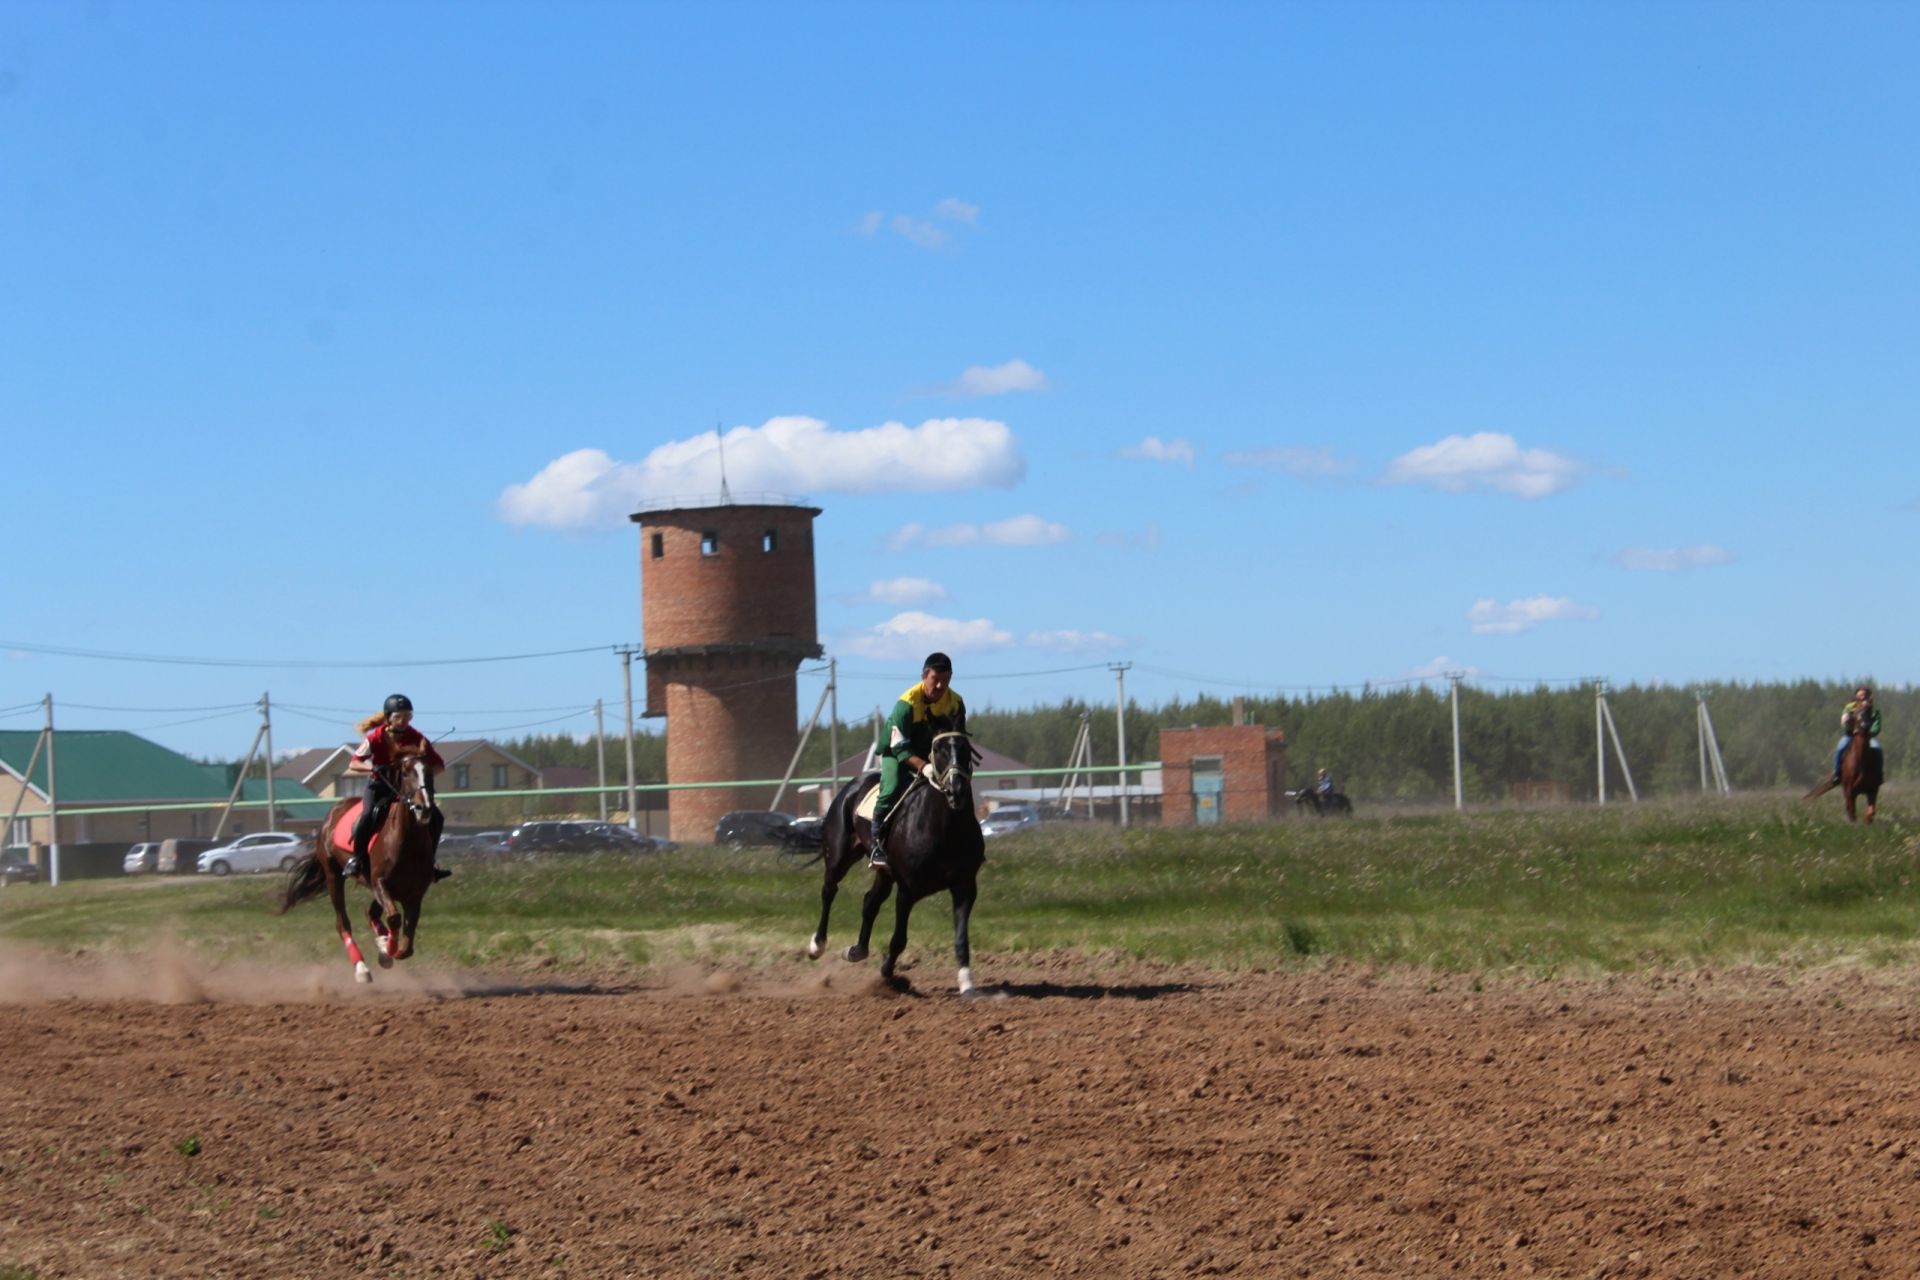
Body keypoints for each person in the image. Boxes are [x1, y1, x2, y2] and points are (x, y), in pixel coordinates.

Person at [869, 652, 967, 871]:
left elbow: (955, 738)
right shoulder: (906, 704)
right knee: (893, 786)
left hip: (931, 751)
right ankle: (875, 842)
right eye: (936, 679)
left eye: (946, 679)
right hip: (897, 752)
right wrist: (924, 767)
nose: (941, 685)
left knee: (957, 782)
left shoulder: (956, 702)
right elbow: (899, 746)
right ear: (924, 676)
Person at [343, 694, 451, 883]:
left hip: (406, 791)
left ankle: (430, 863)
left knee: (437, 817)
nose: (403, 721)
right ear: (388, 718)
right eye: (398, 717)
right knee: (368, 815)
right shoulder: (375, 737)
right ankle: (356, 860)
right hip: (379, 787)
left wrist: (422, 776)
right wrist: (372, 767)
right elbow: (354, 764)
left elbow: (439, 766)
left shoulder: (416, 737)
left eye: (407, 716)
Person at [1831, 685, 1883, 784]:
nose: (1862, 697)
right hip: (1851, 735)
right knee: (1840, 747)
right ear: (1856, 696)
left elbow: (1877, 724)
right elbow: (1844, 722)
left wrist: (1872, 732)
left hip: (1868, 736)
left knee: (1878, 748)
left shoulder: (1874, 710)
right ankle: (1836, 773)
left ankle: (1879, 774)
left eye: (1865, 695)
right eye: (1860, 695)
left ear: (1869, 696)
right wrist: (1849, 728)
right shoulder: (1849, 707)